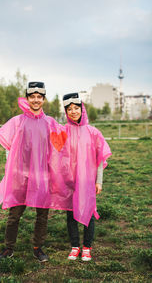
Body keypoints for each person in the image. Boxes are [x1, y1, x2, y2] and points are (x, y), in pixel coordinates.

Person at [0, 82, 67, 262]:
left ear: (43, 99)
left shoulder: (50, 123)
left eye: (39, 97)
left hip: (42, 176)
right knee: (14, 214)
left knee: (42, 214)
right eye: (32, 96)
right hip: (21, 175)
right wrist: (12, 169)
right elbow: (8, 147)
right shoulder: (18, 121)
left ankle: (37, 247)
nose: (35, 100)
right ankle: (9, 248)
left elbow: (62, 144)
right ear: (27, 98)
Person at [62, 93, 111, 261]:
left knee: (88, 213)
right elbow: (56, 154)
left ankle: (87, 247)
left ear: (82, 109)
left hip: (87, 181)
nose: (74, 111)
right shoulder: (64, 131)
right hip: (70, 181)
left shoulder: (93, 132)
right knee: (70, 214)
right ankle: (75, 246)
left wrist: (99, 181)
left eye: (76, 108)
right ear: (66, 112)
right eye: (70, 109)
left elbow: (99, 159)